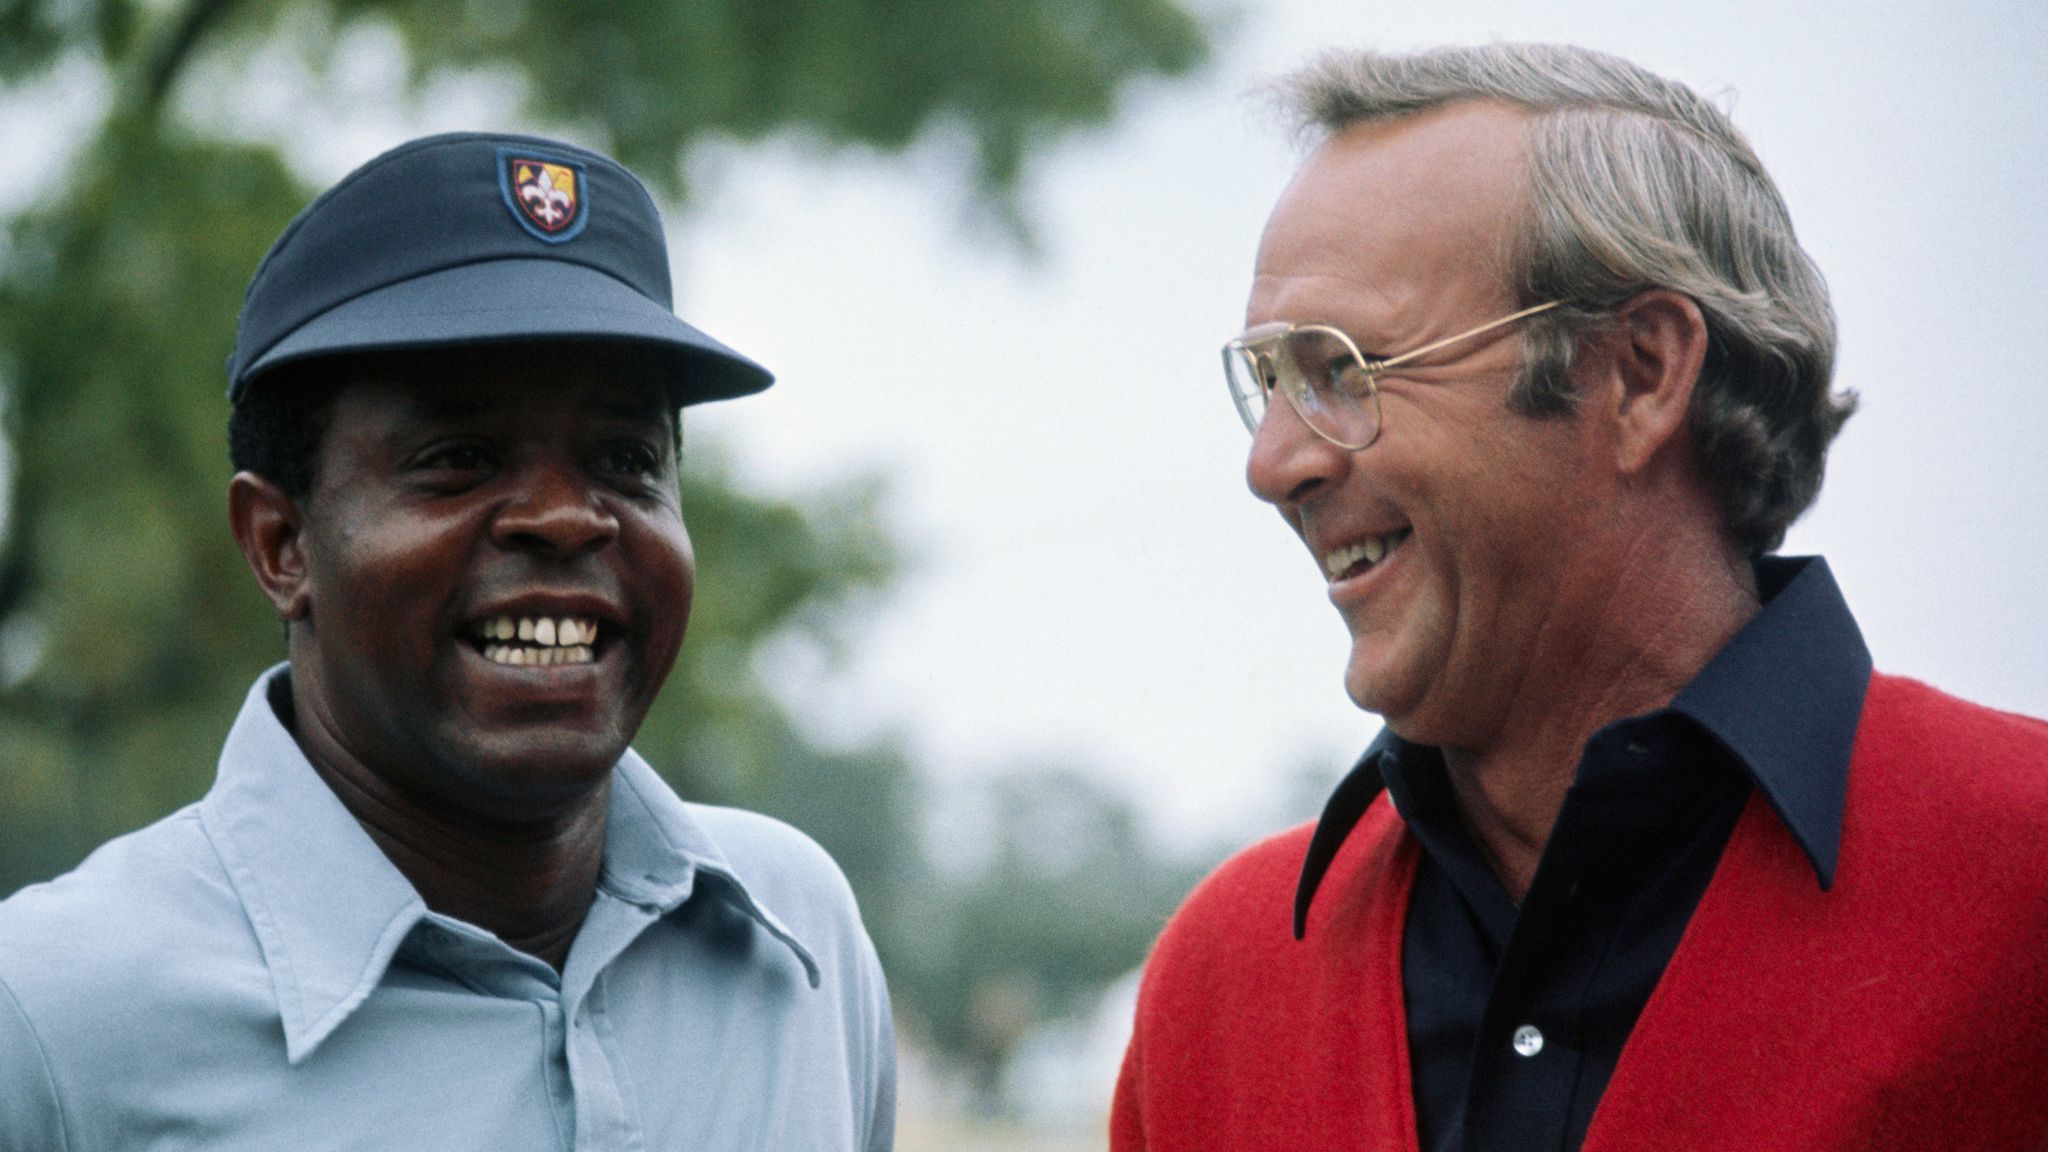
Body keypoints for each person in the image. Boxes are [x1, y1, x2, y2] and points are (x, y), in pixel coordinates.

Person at [1112, 43, 2048, 1152]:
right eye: (1268, 384)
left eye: (1343, 370)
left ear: (1641, 373)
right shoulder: (1224, 981)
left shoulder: (2022, 884)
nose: (1273, 465)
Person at [0, 133, 895, 1150]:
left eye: (624, 457)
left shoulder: (794, 944)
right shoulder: (52, 1020)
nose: (567, 517)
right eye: (459, 457)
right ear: (281, 544)